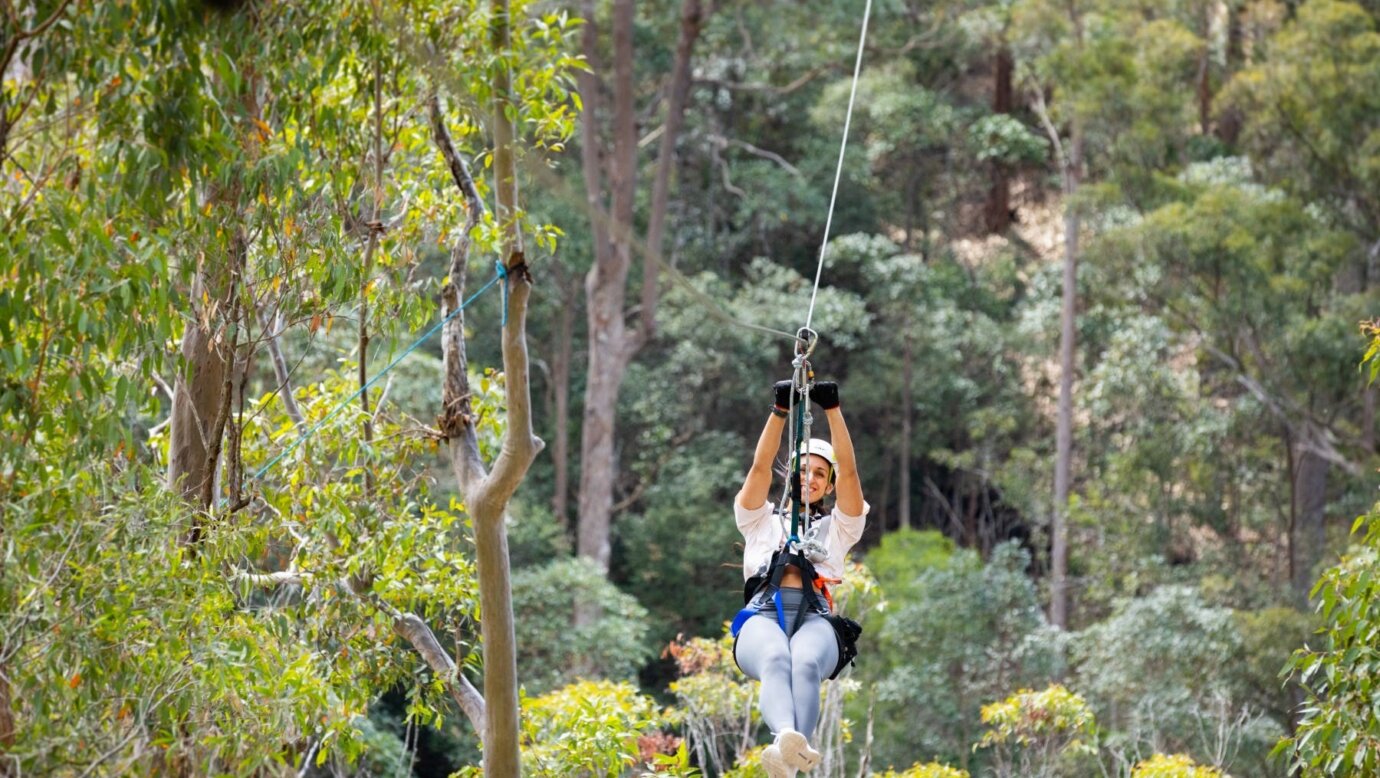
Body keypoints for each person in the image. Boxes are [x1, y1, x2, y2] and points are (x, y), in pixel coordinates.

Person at [732, 379, 868, 777]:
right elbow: (759, 468)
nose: (810, 478)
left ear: (828, 484)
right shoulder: (760, 521)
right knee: (776, 657)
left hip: (814, 616)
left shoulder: (837, 530)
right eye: (803, 470)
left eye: (820, 474)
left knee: (806, 661)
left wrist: (833, 411)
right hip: (763, 615)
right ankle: (788, 742)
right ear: (791, 473)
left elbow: (852, 477)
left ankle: (792, 754)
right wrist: (779, 413)